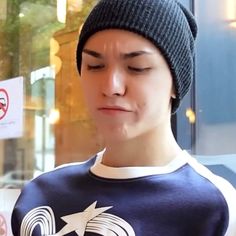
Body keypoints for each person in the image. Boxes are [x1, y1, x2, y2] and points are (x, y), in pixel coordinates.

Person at [11, 0, 236, 235]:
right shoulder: (40, 196)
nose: (111, 86)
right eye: (95, 66)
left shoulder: (214, 208)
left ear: (175, 83)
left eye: (137, 67)